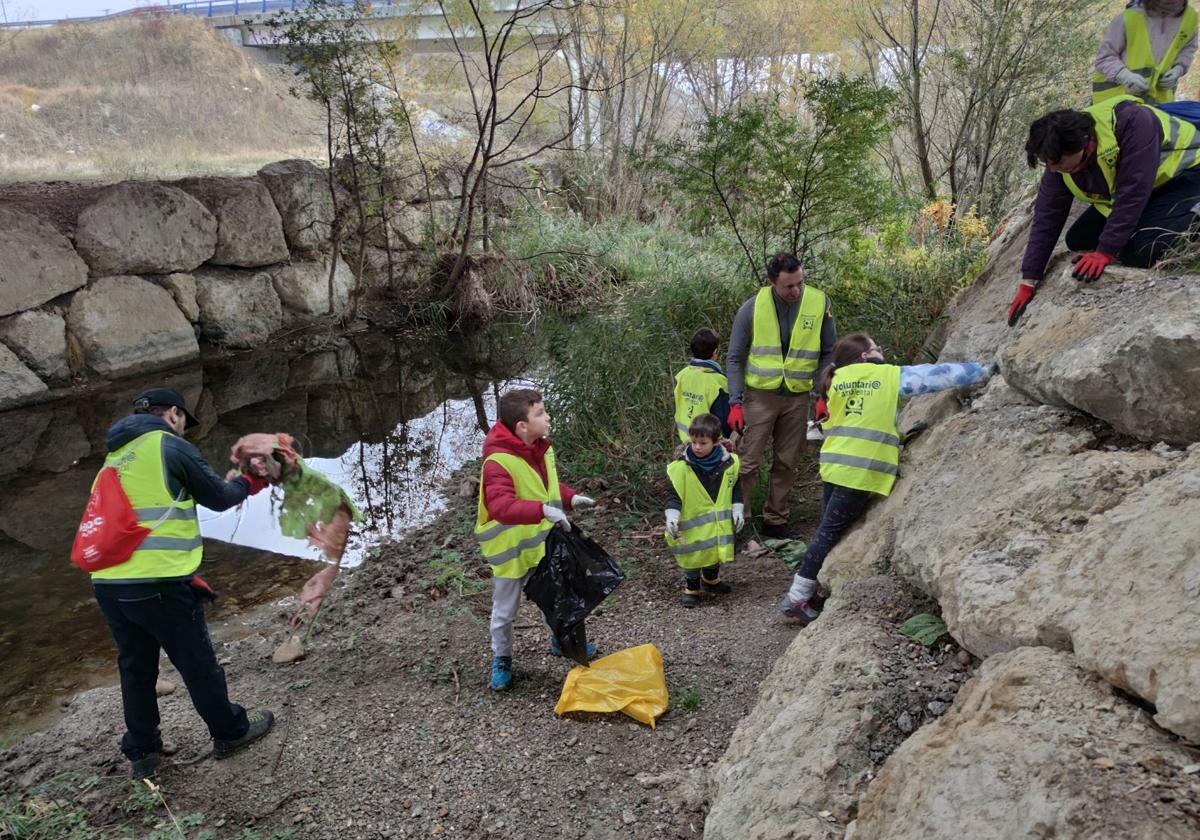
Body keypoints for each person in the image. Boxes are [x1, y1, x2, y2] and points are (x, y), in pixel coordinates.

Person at [89, 388, 275, 780]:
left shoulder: (113, 458)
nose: (184, 431)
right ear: (173, 414)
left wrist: (184, 574)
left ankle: (144, 753)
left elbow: (128, 528)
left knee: (136, 667)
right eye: (184, 423)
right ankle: (230, 732)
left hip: (109, 584)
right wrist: (251, 481)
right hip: (157, 584)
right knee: (198, 663)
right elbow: (220, 498)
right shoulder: (167, 445)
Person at [777, 335, 996, 625]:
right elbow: (935, 376)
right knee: (829, 533)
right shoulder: (887, 374)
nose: (882, 350)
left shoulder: (836, 379)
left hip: (834, 464)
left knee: (826, 530)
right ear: (866, 356)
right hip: (861, 470)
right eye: (876, 347)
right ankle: (797, 597)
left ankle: (813, 587)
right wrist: (982, 371)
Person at [1007, 95, 1200, 326]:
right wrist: (1029, 279)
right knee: (1079, 238)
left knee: (1142, 252)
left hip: (1186, 175)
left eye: (1056, 162)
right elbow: (1046, 218)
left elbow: (1133, 191)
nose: (1052, 169)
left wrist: (1106, 251)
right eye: (1046, 163)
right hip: (1150, 189)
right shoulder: (1059, 162)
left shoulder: (1133, 122)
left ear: (1081, 144)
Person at [474, 388, 595, 691]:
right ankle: (502, 659)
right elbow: (501, 506)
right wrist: (543, 511)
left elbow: (545, 487)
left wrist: (570, 498)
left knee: (554, 596)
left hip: (540, 542)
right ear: (522, 427)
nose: (548, 416)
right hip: (510, 550)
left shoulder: (541, 448)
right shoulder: (497, 462)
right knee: (505, 611)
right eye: (540, 413)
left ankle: (560, 641)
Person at [726, 251, 836, 539]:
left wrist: (824, 395)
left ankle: (776, 520)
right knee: (747, 462)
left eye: (799, 282)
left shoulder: (818, 302)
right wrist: (735, 402)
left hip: (797, 398)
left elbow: (828, 353)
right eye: (788, 286)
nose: (795, 291)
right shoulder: (751, 308)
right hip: (759, 398)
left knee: (787, 461)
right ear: (772, 281)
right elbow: (735, 358)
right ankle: (738, 522)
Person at [664, 413, 744, 607]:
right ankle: (692, 587)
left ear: (716, 442)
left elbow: (735, 488)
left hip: (717, 525)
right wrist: (672, 516)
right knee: (691, 555)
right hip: (690, 525)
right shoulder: (680, 468)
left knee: (714, 551)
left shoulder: (730, 463)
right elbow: (673, 495)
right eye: (694, 442)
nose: (697, 447)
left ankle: (710, 580)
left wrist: (737, 508)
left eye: (703, 443)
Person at [1093, 1, 1197, 106]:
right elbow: (1104, 58)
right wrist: (1124, 76)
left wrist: (1179, 69)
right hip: (1117, 104)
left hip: (1159, 105)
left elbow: (1188, 48)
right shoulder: (1128, 19)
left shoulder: (1190, 18)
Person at [672, 328, 732, 443]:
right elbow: (723, 418)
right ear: (715, 353)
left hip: (685, 438)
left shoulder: (682, 375)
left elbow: (677, 406)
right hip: (706, 443)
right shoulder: (718, 381)